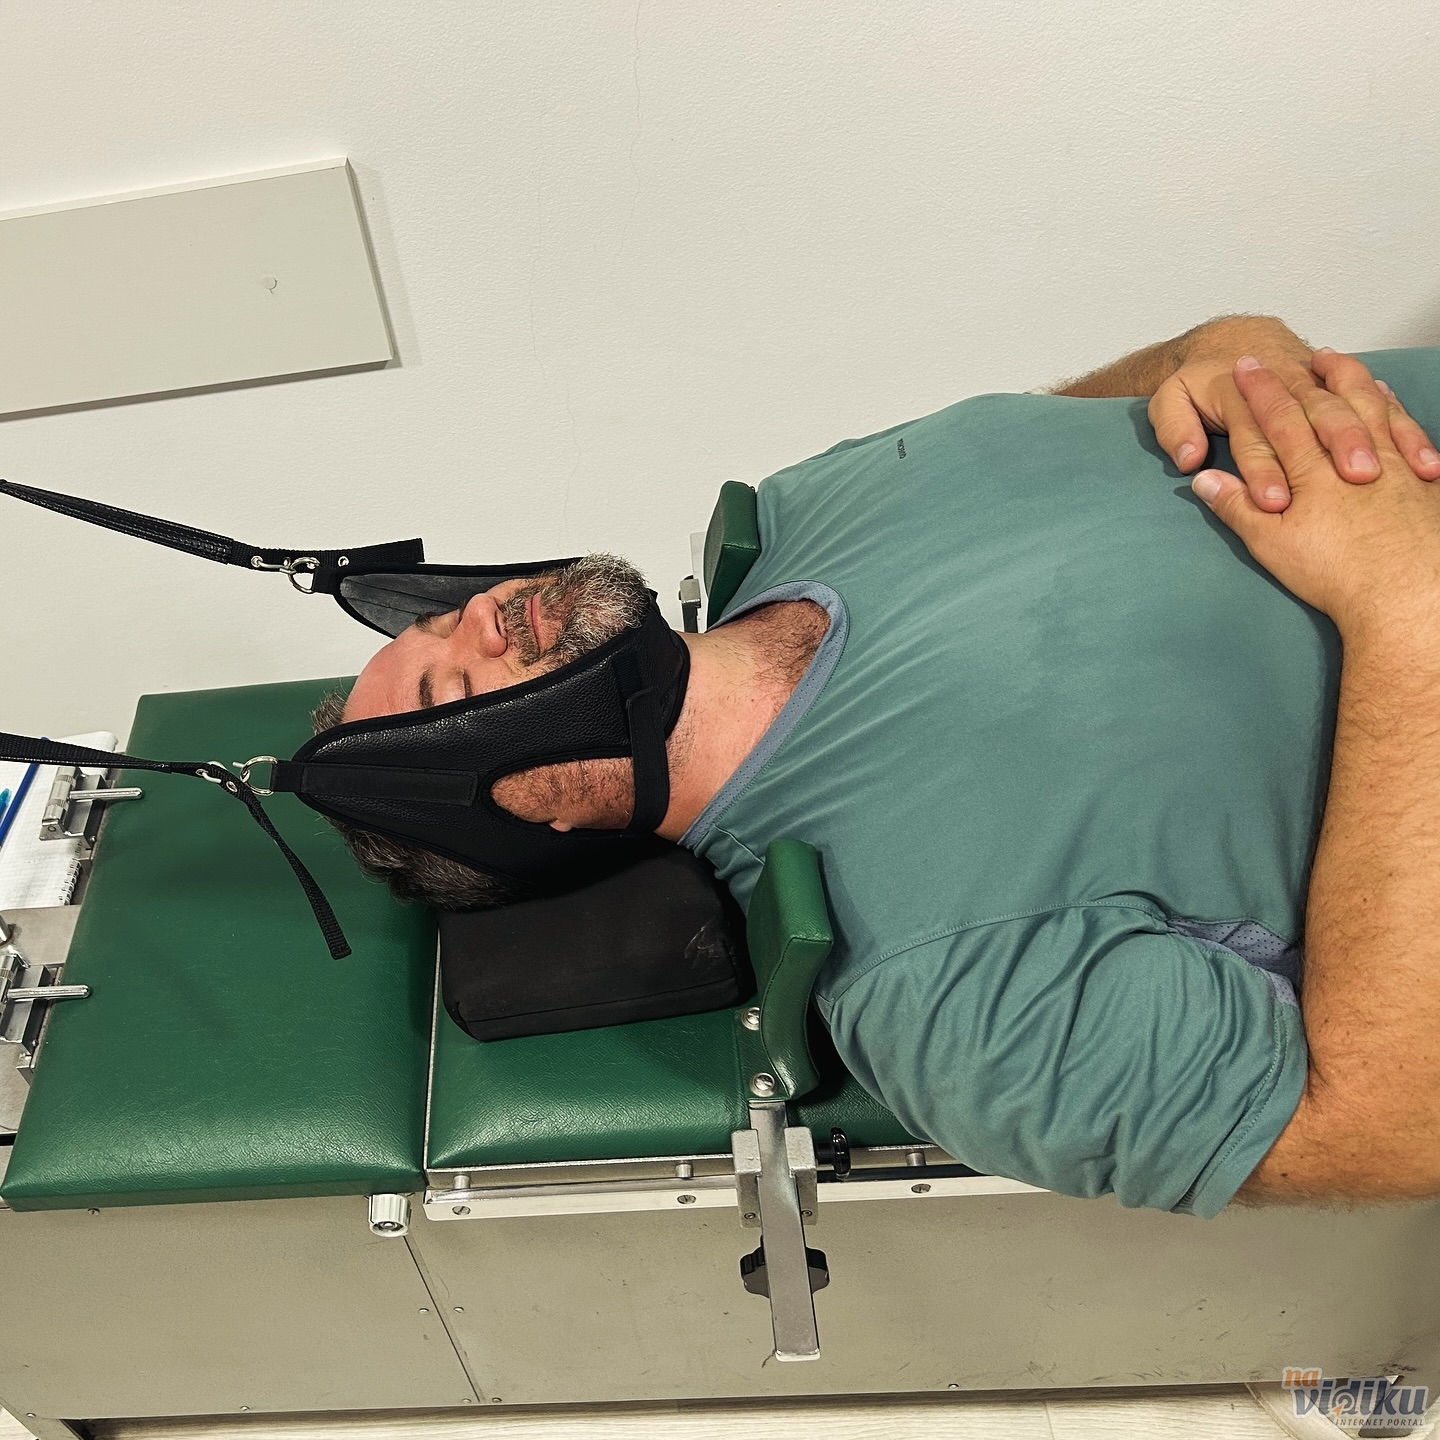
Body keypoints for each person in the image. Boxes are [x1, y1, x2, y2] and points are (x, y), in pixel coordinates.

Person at [326, 315, 1440, 1216]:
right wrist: (1407, 607)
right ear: (536, 817)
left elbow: (1075, 421)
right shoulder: (941, 990)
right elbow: (1385, 1131)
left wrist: (1216, 354)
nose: (486, 615)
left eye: (443, 622)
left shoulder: (811, 501)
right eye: (451, 692)